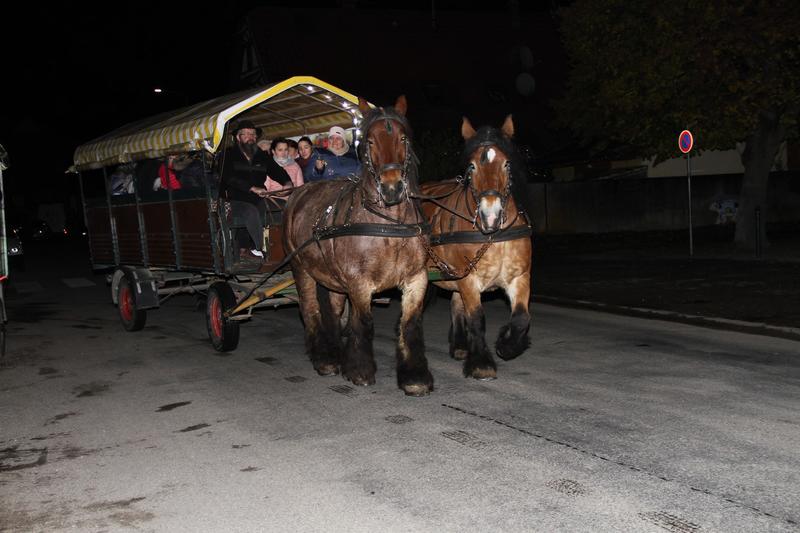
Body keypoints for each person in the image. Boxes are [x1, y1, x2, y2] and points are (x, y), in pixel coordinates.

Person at [221, 120, 292, 262]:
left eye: (252, 134)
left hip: (259, 198)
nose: (250, 137)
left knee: (284, 208)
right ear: (238, 137)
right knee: (250, 211)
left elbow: (277, 171)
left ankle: (283, 248)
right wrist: (252, 188)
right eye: (246, 134)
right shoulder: (227, 155)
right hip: (235, 199)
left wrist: (287, 183)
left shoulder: (262, 155)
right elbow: (228, 178)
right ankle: (256, 249)